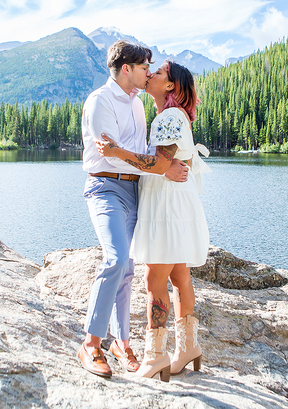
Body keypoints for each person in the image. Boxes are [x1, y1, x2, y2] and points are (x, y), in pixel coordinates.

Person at [78, 42, 189, 379]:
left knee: (126, 268)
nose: (147, 72)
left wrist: (161, 166)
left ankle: (122, 342)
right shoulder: (100, 101)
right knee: (115, 259)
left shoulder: (138, 105)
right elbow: (110, 155)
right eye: (144, 67)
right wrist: (160, 168)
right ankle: (90, 343)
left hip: (132, 190)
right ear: (126, 68)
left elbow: (138, 151)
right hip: (105, 187)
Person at [97, 59, 211, 382]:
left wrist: (116, 153)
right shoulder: (174, 117)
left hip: (166, 208)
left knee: (154, 282)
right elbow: (169, 162)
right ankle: (188, 347)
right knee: (178, 276)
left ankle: (155, 356)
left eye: (158, 72)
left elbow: (159, 164)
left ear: (170, 85)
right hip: (175, 205)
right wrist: (167, 166)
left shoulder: (168, 117)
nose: (150, 75)